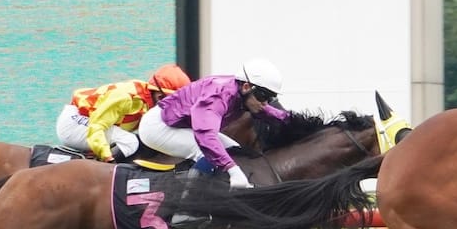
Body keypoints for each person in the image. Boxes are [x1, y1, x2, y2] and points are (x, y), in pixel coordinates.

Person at [135, 60, 288, 186]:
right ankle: (188, 211)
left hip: (179, 124)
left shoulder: (243, 93)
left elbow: (267, 112)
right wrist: (233, 170)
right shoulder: (218, 95)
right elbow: (206, 136)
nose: (265, 103)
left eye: (270, 98)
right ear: (247, 87)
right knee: (206, 152)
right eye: (263, 96)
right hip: (158, 126)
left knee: (235, 150)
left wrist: (293, 120)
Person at [54, 64, 191, 162]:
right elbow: (97, 126)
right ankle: (104, 169)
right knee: (129, 141)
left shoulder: (149, 102)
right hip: (75, 122)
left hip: (91, 122)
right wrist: (105, 154)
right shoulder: (126, 97)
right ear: (160, 96)